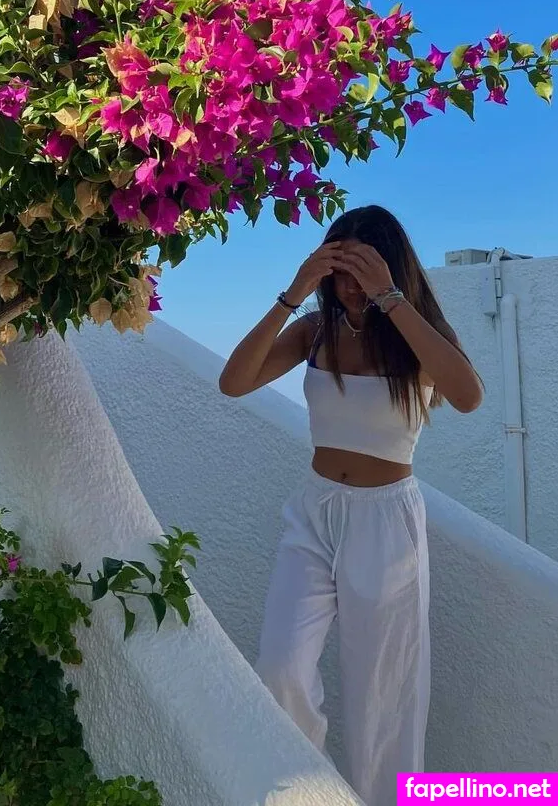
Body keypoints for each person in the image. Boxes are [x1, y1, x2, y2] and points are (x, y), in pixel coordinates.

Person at [218, 205, 483, 806]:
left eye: (363, 270)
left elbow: (468, 395)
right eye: (341, 271)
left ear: (391, 268)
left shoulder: (414, 335)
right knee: (281, 665)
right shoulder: (314, 331)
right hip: (314, 513)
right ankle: (307, 790)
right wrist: (293, 293)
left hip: (386, 522)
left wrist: (391, 298)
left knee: (385, 697)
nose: (351, 286)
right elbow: (233, 383)